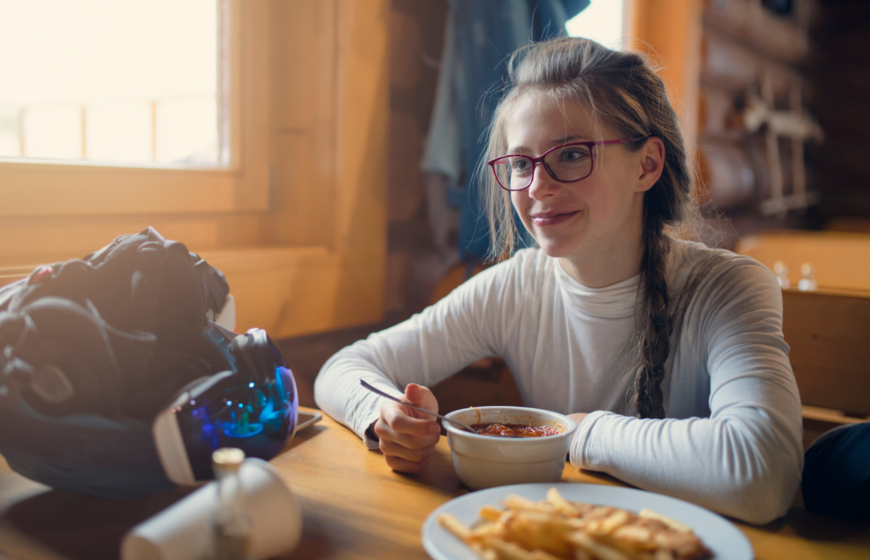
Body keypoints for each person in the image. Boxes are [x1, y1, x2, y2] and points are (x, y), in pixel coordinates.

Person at [314, 37, 803, 525]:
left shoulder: (727, 290)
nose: (537, 187)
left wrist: (579, 432)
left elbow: (762, 472)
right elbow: (345, 367)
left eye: (570, 155)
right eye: (521, 163)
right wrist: (385, 419)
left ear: (647, 165)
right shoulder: (515, 288)